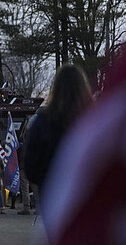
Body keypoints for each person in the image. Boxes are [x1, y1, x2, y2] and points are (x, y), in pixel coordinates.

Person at [24, 64, 92, 192]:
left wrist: (46, 180)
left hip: (52, 194)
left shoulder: (43, 121)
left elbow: (30, 166)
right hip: (86, 195)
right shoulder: (94, 120)